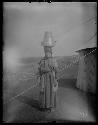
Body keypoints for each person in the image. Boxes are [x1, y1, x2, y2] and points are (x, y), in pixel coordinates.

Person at [37, 31, 58, 112]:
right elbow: (39, 70)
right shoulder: (42, 60)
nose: (47, 53)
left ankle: (51, 106)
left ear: (51, 52)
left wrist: (56, 78)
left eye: (48, 52)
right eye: (46, 52)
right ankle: (44, 106)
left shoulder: (54, 60)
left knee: (51, 92)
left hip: (51, 79)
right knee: (44, 92)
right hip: (43, 79)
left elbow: (56, 70)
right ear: (44, 52)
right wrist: (39, 76)